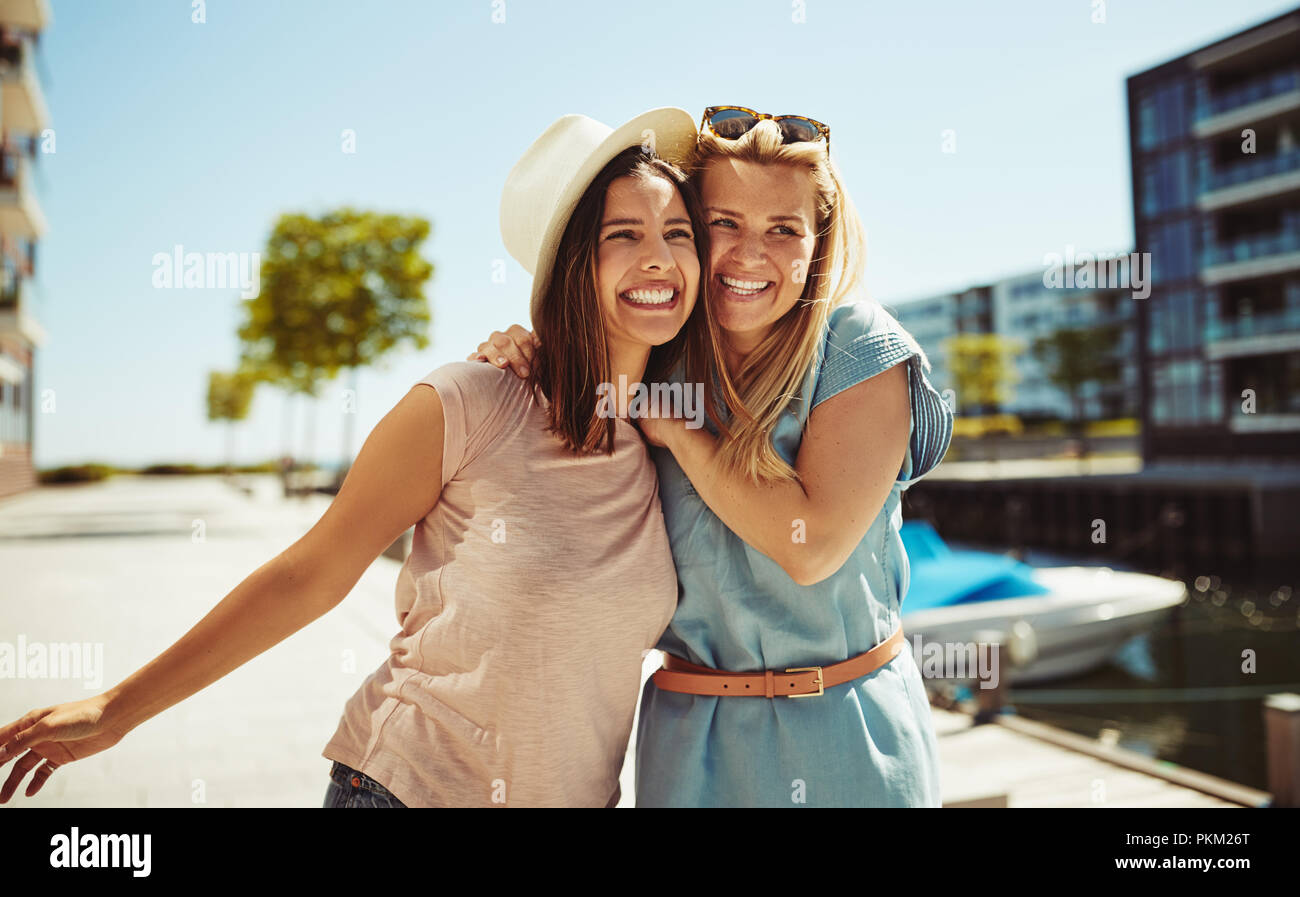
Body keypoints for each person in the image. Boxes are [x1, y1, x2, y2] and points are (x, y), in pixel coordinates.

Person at [0, 107, 717, 808]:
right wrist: (116, 709)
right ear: (570, 264)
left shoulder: (664, 436)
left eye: (677, 232)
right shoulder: (472, 400)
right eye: (622, 233)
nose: (658, 255)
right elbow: (307, 575)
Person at [470, 105, 954, 807]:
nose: (750, 254)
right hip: (688, 747)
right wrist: (512, 357)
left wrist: (683, 437)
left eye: (783, 230)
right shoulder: (651, 356)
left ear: (816, 246)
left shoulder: (858, 346)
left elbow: (811, 545)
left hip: (850, 737)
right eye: (723, 223)